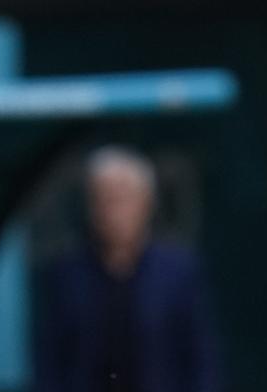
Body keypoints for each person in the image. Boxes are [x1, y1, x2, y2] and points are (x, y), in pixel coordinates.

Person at [35, 145, 219, 392]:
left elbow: (200, 359)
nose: (114, 211)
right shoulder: (67, 276)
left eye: (123, 198)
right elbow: (51, 364)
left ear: (146, 203)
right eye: (104, 199)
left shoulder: (177, 273)